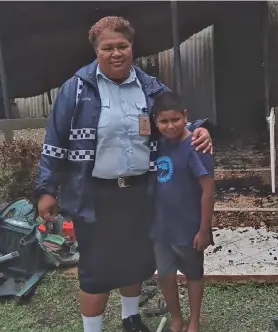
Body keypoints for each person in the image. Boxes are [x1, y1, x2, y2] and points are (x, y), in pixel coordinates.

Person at [35, 16, 213, 332]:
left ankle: (131, 318)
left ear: (132, 47)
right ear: (96, 51)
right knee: (96, 269)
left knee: (134, 260)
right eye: (108, 48)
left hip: (140, 191)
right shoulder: (76, 89)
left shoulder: (150, 88)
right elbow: (55, 141)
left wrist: (199, 131)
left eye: (123, 46)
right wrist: (47, 189)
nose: (116, 53)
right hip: (93, 194)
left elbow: (174, 121)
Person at [150, 92, 215, 332]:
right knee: (165, 275)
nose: (170, 126)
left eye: (175, 119)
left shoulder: (197, 146)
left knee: (193, 274)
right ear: (156, 121)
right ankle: (176, 320)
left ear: (185, 116)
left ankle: (194, 321)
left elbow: (208, 190)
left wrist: (204, 230)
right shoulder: (159, 144)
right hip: (161, 227)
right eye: (164, 121)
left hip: (189, 227)